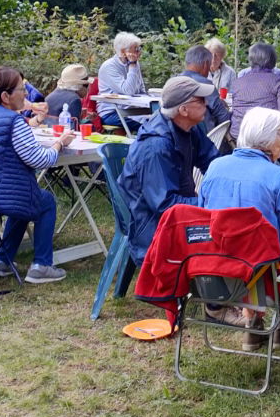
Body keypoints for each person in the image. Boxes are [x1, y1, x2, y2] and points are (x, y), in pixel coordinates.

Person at [198, 107, 280, 346]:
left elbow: (201, 220)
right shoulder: (278, 176)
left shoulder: (215, 167)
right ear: (268, 139)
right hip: (259, 279)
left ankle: (253, 325)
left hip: (214, 275)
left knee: (255, 253)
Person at [0, 66, 74, 283]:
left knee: (22, 197)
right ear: (5, 96)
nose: (26, 94)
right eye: (21, 89)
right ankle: (42, 265)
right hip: (1, 194)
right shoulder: (13, 122)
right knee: (44, 200)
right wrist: (59, 144)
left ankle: (2, 259)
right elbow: (40, 160)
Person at [117, 74, 220, 263]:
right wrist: (209, 204)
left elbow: (214, 163)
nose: (207, 104)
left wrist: (230, 185)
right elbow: (165, 205)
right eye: (201, 100)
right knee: (227, 239)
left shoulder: (190, 127)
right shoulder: (156, 146)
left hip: (178, 211)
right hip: (153, 225)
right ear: (183, 109)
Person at [228, 42, 280, 172]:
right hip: (264, 137)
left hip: (239, 136)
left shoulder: (238, 82)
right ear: (272, 60)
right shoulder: (277, 80)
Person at [97, 32, 145, 128]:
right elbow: (128, 91)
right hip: (112, 112)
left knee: (159, 119)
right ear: (123, 52)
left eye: (139, 48)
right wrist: (132, 65)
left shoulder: (134, 63)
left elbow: (141, 89)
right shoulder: (109, 66)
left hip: (132, 109)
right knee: (149, 126)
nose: (139, 52)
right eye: (135, 49)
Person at [181, 44, 230, 131]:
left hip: (179, 134)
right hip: (205, 137)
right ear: (205, 65)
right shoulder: (205, 84)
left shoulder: (174, 80)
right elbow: (223, 116)